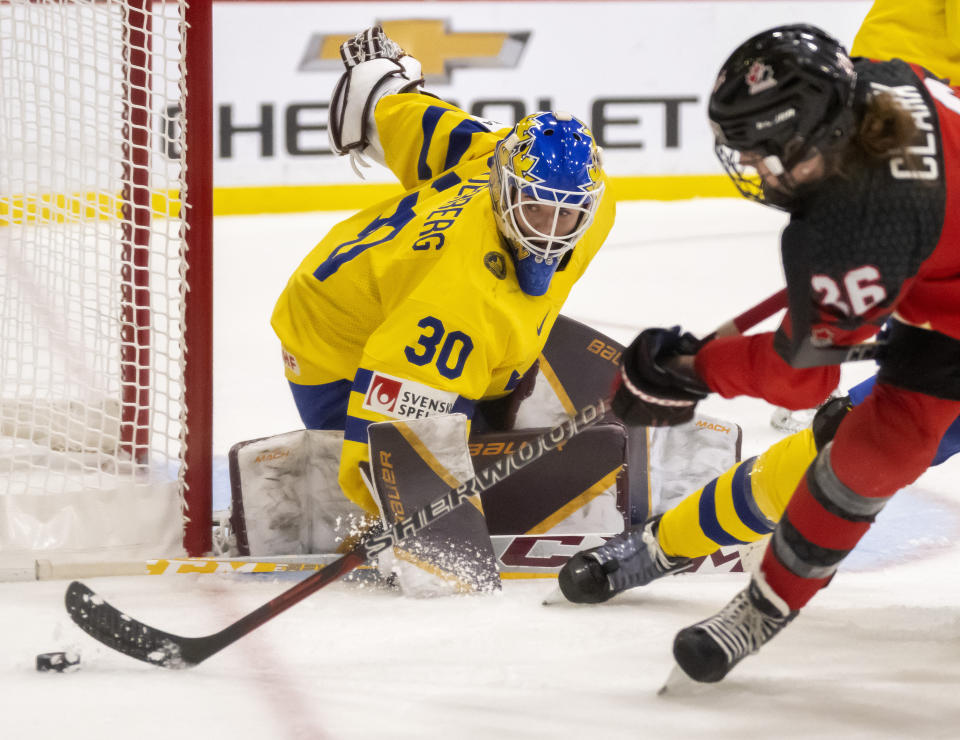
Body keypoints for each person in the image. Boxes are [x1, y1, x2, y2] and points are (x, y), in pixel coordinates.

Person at [599, 24, 960, 683]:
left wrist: (694, 371)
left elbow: (801, 381)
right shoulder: (880, 77)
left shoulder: (860, 228)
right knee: (879, 442)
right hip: (943, 292)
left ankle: (764, 606)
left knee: (864, 455)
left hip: (937, 287)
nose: (760, 171)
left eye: (771, 153)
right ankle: (763, 602)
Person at [270, 26, 612, 522]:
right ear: (504, 188)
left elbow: (436, 127)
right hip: (334, 334)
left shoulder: (512, 165)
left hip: (408, 286)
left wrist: (383, 93)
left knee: (493, 347)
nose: (550, 232)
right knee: (409, 472)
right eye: (535, 209)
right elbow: (394, 435)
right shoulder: (455, 298)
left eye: (567, 215)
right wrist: (398, 515)